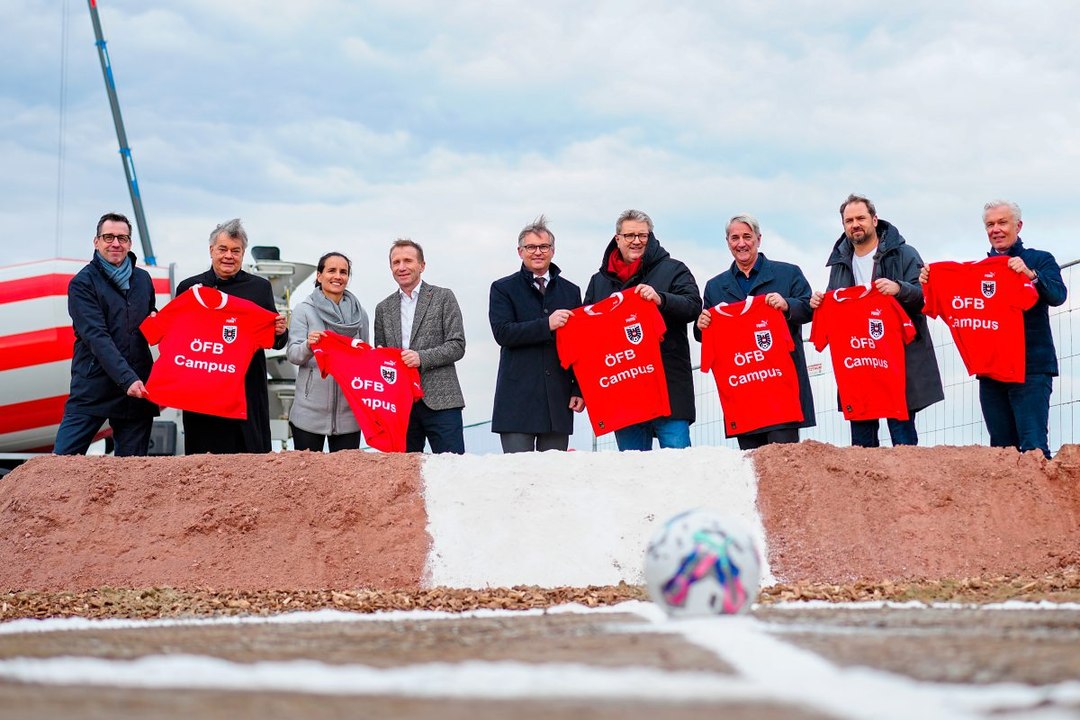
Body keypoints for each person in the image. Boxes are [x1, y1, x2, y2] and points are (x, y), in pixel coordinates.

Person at [921, 200, 1066, 458]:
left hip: (1031, 369)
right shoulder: (975, 272)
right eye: (990, 224)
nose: (995, 229)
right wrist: (930, 281)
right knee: (1000, 452)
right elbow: (946, 301)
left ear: (1018, 226)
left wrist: (1031, 275)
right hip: (991, 371)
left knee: (1033, 449)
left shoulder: (1039, 259)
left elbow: (1058, 295)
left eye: (1002, 223)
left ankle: (1039, 499)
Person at [810, 194, 943, 447]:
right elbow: (833, 299)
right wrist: (820, 304)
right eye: (849, 220)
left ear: (874, 219)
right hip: (858, 364)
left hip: (898, 361)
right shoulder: (840, 262)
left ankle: (906, 485)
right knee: (861, 447)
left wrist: (899, 288)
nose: (855, 224)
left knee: (903, 443)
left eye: (860, 218)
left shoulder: (904, 254)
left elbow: (925, 296)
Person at [584, 209, 701, 450]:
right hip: (624, 393)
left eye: (642, 235)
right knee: (633, 474)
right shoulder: (599, 281)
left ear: (651, 236)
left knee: (679, 469)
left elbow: (693, 306)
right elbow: (587, 333)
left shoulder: (674, 269)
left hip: (669, 389)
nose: (636, 241)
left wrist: (662, 299)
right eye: (629, 235)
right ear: (617, 239)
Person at [696, 214, 815, 449]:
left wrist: (787, 305)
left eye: (747, 237)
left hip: (782, 391)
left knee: (784, 464)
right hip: (744, 393)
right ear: (728, 242)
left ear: (759, 240)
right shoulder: (715, 286)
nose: (741, 243)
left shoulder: (788, 273)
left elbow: (809, 308)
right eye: (735, 238)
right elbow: (706, 334)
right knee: (752, 469)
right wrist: (700, 325)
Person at [176, 218, 288, 453]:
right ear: (211, 250)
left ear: (243, 253)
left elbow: (275, 341)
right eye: (223, 249)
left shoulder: (260, 288)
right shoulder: (188, 288)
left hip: (246, 392)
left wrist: (281, 332)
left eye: (236, 251)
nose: (229, 256)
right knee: (202, 463)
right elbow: (177, 341)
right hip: (202, 393)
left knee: (250, 465)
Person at [54, 212, 158, 455]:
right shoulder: (82, 283)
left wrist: (157, 319)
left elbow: (147, 316)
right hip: (94, 386)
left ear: (130, 243)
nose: (115, 243)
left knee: (132, 473)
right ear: (96, 241)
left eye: (122, 238)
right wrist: (126, 379)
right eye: (108, 237)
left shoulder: (143, 279)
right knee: (61, 462)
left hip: (137, 389)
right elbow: (96, 336)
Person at [489, 216, 584, 453]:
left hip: (558, 401)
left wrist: (578, 389)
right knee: (518, 477)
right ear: (520, 251)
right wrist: (547, 324)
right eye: (531, 247)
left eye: (544, 247)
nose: (538, 252)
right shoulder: (502, 288)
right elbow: (503, 333)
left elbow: (578, 344)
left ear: (553, 251)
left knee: (553, 479)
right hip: (516, 401)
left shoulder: (571, 291)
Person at [373, 239, 466, 453]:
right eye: (396, 262)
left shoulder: (444, 297)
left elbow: (457, 345)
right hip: (401, 406)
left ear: (422, 265)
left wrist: (421, 358)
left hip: (442, 402)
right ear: (391, 268)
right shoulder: (383, 308)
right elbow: (381, 356)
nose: (402, 267)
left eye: (408, 260)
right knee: (404, 475)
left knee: (452, 470)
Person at [286, 251, 370, 452]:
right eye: (331, 270)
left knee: (345, 479)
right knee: (307, 478)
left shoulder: (360, 315)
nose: (338, 276)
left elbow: (365, 359)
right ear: (319, 275)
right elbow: (293, 354)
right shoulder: (303, 310)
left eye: (343, 272)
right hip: (308, 416)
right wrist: (308, 345)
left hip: (349, 415)